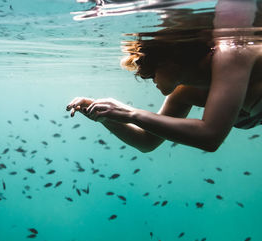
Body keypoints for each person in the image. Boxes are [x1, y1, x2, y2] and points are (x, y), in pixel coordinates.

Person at [66, 0, 261, 153]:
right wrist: (106, 115)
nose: (144, 76)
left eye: (149, 71)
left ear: (170, 58)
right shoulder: (184, 93)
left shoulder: (232, 53)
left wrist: (128, 114)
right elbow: (146, 141)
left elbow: (210, 136)